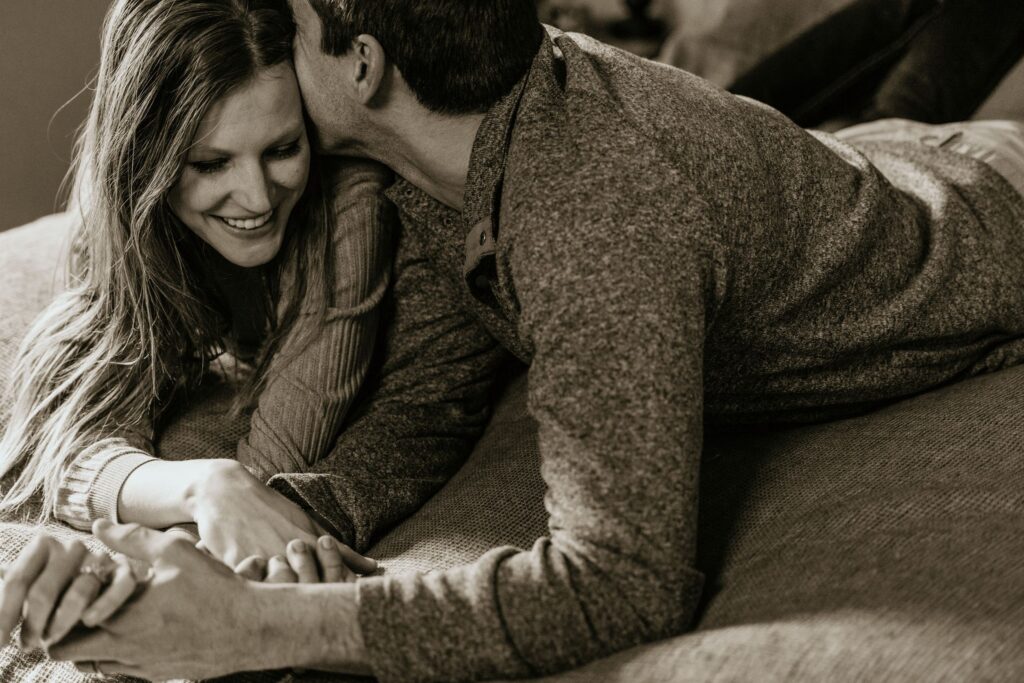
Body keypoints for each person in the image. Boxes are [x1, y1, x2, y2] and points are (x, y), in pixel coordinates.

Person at [4, 0, 1024, 681]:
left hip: (986, 201)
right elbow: (425, 402)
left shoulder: (591, 219)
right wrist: (259, 529)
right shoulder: (447, 167)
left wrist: (257, 627)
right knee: (850, 128)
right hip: (844, 175)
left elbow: (619, 583)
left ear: (361, 63)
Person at [0, 0, 389, 651]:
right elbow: (62, 443)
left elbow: (282, 464)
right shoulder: (130, 243)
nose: (259, 198)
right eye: (211, 164)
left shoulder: (353, 211)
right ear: (145, 161)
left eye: (283, 149)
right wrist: (206, 482)